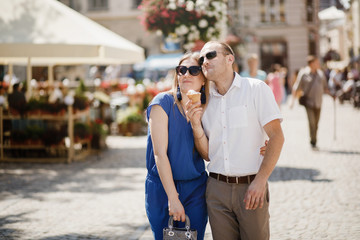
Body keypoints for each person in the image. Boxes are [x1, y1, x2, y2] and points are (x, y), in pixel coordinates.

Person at [186, 41, 284, 240]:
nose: (204, 61)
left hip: (251, 186)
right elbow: (207, 154)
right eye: (201, 58)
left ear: (229, 59)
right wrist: (196, 125)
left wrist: (261, 180)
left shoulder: (256, 88)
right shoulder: (203, 101)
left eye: (210, 55)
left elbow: (277, 137)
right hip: (216, 189)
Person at [145, 52, 209, 240]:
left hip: (196, 188)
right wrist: (173, 198)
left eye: (193, 70)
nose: (186, 74)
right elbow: (159, 155)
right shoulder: (162, 103)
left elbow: (209, 154)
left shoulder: (208, 108)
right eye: (181, 70)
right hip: (162, 188)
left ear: (204, 79)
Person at [292, 55, 332, 149]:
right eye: (316, 63)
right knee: (312, 122)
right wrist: (292, 102)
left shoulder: (321, 74)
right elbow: (297, 87)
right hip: (308, 103)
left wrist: (332, 96)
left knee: (317, 123)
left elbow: (325, 87)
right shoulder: (304, 73)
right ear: (311, 64)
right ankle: (313, 141)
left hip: (319, 102)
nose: (318, 64)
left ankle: (314, 138)